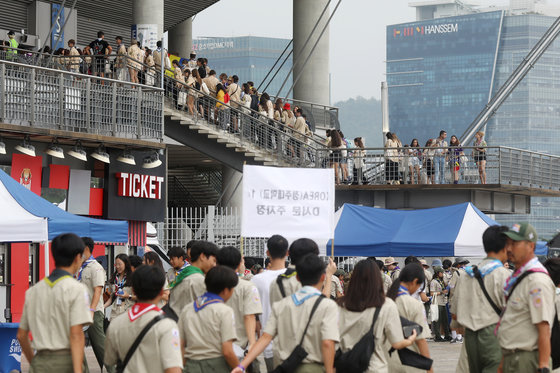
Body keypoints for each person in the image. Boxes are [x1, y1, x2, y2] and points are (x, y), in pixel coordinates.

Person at [234, 254, 340, 373]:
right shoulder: (328, 306)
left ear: (298, 278)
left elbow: (265, 338)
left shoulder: (282, 305)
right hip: (313, 367)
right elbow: (327, 343)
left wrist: (242, 365)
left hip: (284, 366)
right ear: (322, 278)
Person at [17, 233, 92, 373]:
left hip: (40, 362)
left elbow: (21, 335)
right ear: (77, 257)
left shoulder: (33, 291)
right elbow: (76, 334)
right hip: (66, 362)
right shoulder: (77, 289)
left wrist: (34, 362)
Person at [338, 259, 417, 373]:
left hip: (345, 365)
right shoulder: (386, 305)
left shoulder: (340, 305)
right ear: (377, 279)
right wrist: (410, 340)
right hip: (374, 367)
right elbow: (397, 343)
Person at [497, 222, 556, 373]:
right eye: (508, 243)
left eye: (515, 243)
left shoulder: (536, 281)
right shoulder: (518, 277)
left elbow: (543, 327)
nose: (509, 249)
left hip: (528, 360)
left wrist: (543, 366)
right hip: (512, 357)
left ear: (531, 246)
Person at [451, 225, 511, 373]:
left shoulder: (466, 275)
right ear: (505, 246)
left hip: (470, 336)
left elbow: (455, 313)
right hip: (493, 334)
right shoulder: (504, 275)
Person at [104, 265, 182, 373]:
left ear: (134, 291)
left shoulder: (116, 324)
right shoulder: (167, 326)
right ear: (161, 292)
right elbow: (173, 369)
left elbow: (110, 360)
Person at [179, 266, 239, 372]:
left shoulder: (187, 309)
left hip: (191, 365)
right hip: (216, 366)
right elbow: (227, 351)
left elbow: (180, 346)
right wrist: (240, 368)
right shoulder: (224, 311)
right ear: (226, 290)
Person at [216, 247, 263, 363]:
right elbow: (249, 316)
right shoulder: (247, 286)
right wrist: (252, 343)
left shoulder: (208, 284)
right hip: (238, 347)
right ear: (239, 264)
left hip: (213, 347)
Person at [251, 235, 289, 371]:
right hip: (293, 343)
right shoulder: (296, 278)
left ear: (268, 253)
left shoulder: (256, 280)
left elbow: (253, 314)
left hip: (268, 342)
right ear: (287, 253)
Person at [387, 263, 433, 373]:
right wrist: (429, 369)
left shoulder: (385, 301)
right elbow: (421, 340)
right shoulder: (414, 304)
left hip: (387, 360)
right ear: (414, 282)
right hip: (410, 362)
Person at [269, 238, 335, 306]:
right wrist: (329, 275)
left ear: (289, 254)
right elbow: (322, 304)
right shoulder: (309, 278)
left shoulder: (276, 282)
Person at [78, 237, 110, 372]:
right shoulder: (81, 267)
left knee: (99, 345)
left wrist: (91, 310)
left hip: (94, 312)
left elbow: (98, 290)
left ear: (86, 249)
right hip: (80, 312)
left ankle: (112, 369)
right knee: (77, 343)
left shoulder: (96, 267)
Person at [168, 240, 218, 316]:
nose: (214, 265)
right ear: (203, 256)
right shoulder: (198, 280)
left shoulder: (183, 275)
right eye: (213, 260)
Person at [105, 254, 134, 321]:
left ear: (126, 264)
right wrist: (102, 307)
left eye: (120, 264)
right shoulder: (114, 278)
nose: (117, 266)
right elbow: (110, 296)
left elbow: (139, 297)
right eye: (116, 264)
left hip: (128, 312)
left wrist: (128, 296)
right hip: (115, 312)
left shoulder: (133, 278)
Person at [430, 266, 451, 342]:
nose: (443, 274)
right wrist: (441, 292)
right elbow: (432, 293)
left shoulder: (441, 281)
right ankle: (438, 336)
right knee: (437, 320)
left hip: (443, 302)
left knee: (445, 320)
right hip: (437, 302)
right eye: (441, 272)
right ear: (438, 273)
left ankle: (447, 335)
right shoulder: (434, 282)